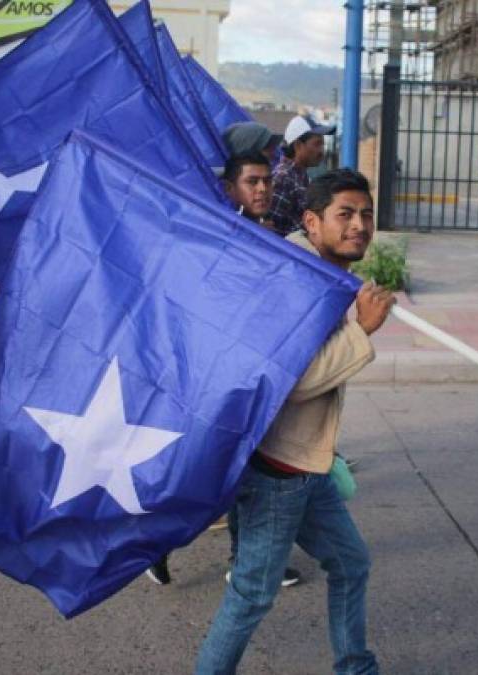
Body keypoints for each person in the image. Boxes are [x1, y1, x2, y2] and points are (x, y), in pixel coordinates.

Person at [196, 168, 393, 675]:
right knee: (251, 597)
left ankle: (356, 666)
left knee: (351, 563)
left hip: (308, 465)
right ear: (311, 220)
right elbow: (296, 383)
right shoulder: (296, 282)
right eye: (345, 214)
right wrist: (362, 332)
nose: (359, 226)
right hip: (278, 473)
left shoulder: (320, 273)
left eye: (366, 214)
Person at [145, 153, 301, 589]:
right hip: (211, 378)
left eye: (267, 181)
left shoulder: (270, 236)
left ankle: (243, 559)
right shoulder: (216, 238)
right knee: (202, 469)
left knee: (244, 471)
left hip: (253, 378)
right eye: (252, 182)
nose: (262, 190)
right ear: (230, 188)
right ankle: (156, 544)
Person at [269, 114, 335, 236]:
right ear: (298, 145)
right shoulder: (283, 177)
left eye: (323, 145)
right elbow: (273, 228)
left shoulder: (301, 175)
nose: (321, 151)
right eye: (317, 144)